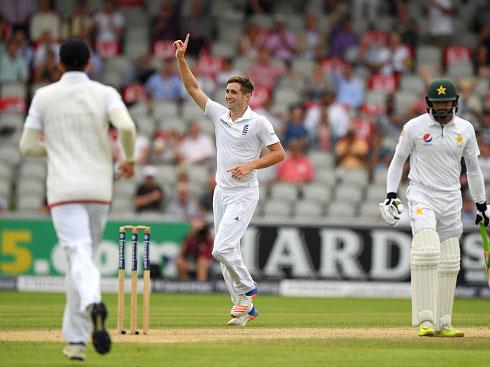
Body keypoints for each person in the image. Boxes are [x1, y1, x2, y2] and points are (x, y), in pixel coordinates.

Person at [19, 38, 136, 360]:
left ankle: (91, 303)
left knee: (79, 255)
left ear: (59, 64)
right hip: (99, 190)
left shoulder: (44, 96)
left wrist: (55, 147)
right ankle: (75, 341)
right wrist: (129, 160)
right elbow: (126, 127)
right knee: (82, 259)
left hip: (63, 190)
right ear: (89, 63)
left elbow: (27, 147)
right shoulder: (105, 92)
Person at [174, 33, 285, 326]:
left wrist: (251, 164)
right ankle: (242, 308)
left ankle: (248, 289)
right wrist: (182, 60)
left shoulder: (259, 122)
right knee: (228, 251)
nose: (228, 96)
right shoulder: (219, 115)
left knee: (221, 249)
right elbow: (193, 87)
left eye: (234, 92)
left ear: (248, 96)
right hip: (221, 192)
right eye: (227, 91)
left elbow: (279, 154)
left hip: (244, 193)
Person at [379, 78, 489, 337]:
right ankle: (425, 319)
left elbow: (473, 170)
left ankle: (444, 321)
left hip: (451, 200)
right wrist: (391, 194)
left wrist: (482, 204)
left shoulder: (466, 129)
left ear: (455, 103)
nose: (442, 107)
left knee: (450, 262)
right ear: (429, 103)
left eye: (447, 102)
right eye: (438, 102)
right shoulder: (414, 127)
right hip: (422, 195)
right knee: (427, 252)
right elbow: (397, 162)